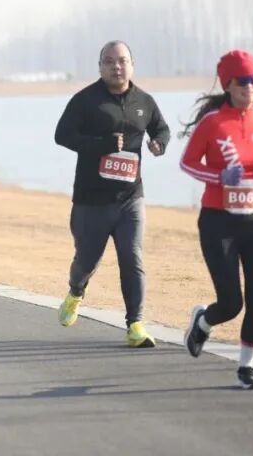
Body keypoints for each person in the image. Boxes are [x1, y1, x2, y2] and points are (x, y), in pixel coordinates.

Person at [179, 50, 253, 390]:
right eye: (242, 81)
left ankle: (247, 368)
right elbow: (187, 163)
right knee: (231, 303)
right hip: (218, 221)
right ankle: (203, 322)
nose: (250, 86)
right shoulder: (213, 123)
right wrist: (220, 176)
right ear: (228, 84)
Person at [53, 40, 170, 348]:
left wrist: (159, 144)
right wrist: (100, 144)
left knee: (132, 258)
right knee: (86, 261)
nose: (116, 67)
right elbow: (61, 135)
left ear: (132, 65)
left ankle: (135, 325)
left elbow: (161, 128)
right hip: (92, 200)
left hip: (131, 197)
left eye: (122, 61)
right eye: (109, 62)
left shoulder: (144, 101)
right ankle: (76, 291)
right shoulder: (86, 100)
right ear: (100, 66)